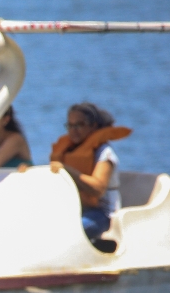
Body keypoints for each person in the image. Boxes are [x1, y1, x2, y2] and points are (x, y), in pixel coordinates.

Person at [50, 102, 131, 242]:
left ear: (93, 126)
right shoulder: (69, 150)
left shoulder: (105, 154)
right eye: (70, 125)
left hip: (102, 215)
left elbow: (97, 188)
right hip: (75, 209)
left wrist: (66, 170)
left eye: (79, 125)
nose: (74, 130)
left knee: (69, 232)